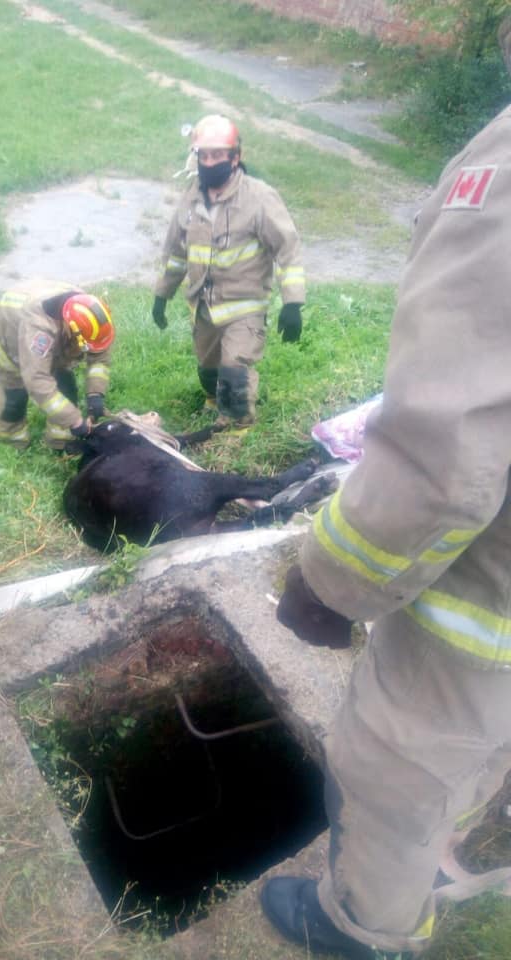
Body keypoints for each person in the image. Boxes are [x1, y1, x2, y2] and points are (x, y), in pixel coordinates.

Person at [260, 18, 511, 959]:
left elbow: (444, 457)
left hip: (490, 591)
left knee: (391, 764)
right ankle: (454, 830)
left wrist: (327, 582)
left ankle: (362, 928)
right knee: (485, 741)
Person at [151, 114, 305, 429]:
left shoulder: (258, 197)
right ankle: (213, 399)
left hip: (244, 305)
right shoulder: (191, 199)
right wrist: (161, 295)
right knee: (209, 369)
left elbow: (287, 250)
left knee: (234, 368)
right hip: (204, 306)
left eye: (218, 155)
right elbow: (177, 253)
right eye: (203, 156)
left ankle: (237, 430)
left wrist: (293, 303)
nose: (210, 162)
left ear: (235, 157)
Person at [0, 280, 115, 451]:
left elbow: (99, 356)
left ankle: (60, 439)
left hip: (54, 328)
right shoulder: (39, 329)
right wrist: (75, 420)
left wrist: (95, 394)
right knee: (15, 394)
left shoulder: (87, 312)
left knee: (64, 383)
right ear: (71, 330)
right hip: (11, 332)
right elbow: (36, 380)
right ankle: (11, 441)